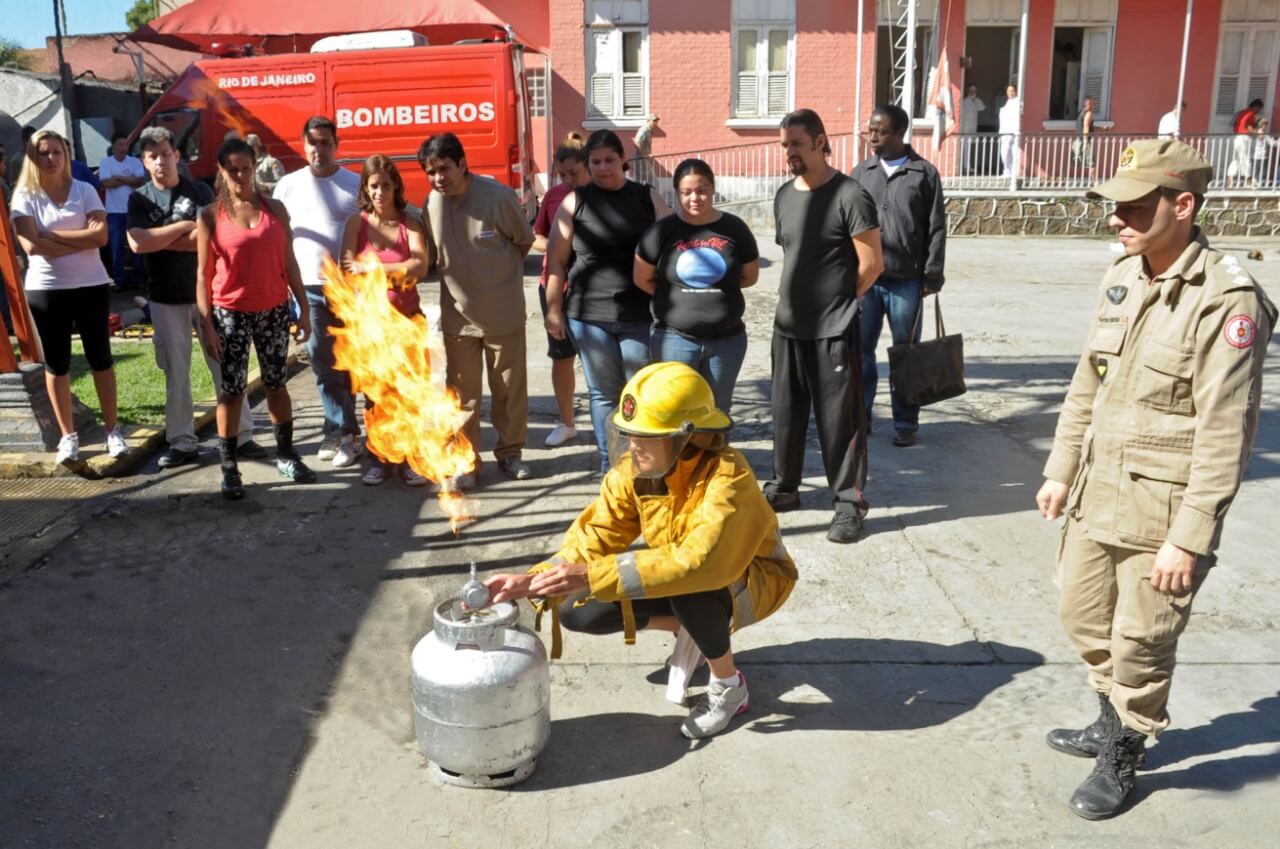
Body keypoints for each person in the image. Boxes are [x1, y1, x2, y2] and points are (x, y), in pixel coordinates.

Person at [1036, 139, 1276, 820]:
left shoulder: (1229, 302)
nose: (1117, 218)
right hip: (1096, 493)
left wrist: (1189, 539)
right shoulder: (1124, 275)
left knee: (1142, 640)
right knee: (1082, 615)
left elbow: (1225, 433)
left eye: (1133, 206)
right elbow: (1088, 384)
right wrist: (1060, 469)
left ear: (1183, 204)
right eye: (1114, 206)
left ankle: (1126, 744)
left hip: (1162, 511)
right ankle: (1108, 715)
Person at [484, 362, 798, 739]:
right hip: (685, 575)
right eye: (630, 433)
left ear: (687, 438)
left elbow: (701, 563)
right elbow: (598, 533)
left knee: (691, 589)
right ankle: (693, 629)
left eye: (646, 436)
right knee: (578, 608)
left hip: (754, 581)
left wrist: (590, 574)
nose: (633, 445)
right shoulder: (639, 471)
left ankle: (729, 687)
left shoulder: (729, 478)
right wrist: (533, 581)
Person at [766, 108, 883, 544]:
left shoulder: (849, 195)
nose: (789, 153)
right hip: (787, 327)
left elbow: (871, 264)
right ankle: (785, 488)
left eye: (796, 144)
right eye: (784, 145)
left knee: (840, 423)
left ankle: (849, 505)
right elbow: (793, 256)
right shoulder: (783, 195)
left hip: (834, 330)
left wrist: (837, 303)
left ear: (819, 141)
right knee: (786, 415)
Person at [127, 126, 261, 469]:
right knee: (177, 372)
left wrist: (161, 238)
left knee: (225, 366)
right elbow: (138, 243)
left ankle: (241, 435)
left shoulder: (199, 190)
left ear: (177, 156)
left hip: (210, 294)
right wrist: (182, 229)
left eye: (165, 154)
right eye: (152, 156)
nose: (160, 161)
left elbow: (212, 237)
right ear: (144, 161)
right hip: (164, 297)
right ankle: (182, 442)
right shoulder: (139, 198)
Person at [544, 129, 672, 474]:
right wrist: (553, 309)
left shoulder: (647, 197)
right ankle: (611, 464)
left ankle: (644, 463)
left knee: (640, 390)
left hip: (639, 314)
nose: (603, 168)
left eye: (610, 160)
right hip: (588, 316)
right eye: (596, 162)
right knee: (603, 393)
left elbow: (673, 245)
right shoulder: (576, 201)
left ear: (623, 162)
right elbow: (556, 260)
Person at [196, 137, 315, 500]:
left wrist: (304, 308)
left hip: (274, 309)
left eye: (245, 168)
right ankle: (229, 467)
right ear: (221, 170)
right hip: (230, 313)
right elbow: (202, 274)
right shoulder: (210, 215)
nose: (240, 175)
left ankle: (286, 454)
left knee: (277, 384)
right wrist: (207, 326)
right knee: (232, 391)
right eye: (232, 169)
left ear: (254, 167)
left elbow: (289, 261)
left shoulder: (275, 209)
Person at [421, 132, 536, 485]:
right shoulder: (431, 205)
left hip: (502, 314)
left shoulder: (497, 197)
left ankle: (511, 454)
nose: (439, 177)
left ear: (463, 164)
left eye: (444, 168)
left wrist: (495, 281)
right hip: (458, 318)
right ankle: (466, 460)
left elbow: (523, 242)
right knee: (463, 397)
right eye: (431, 171)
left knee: (508, 391)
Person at [9, 130, 129, 464]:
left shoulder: (85, 190)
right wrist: (80, 237)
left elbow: (102, 236)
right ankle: (68, 436)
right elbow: (32, 247)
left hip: (91, 285)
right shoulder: (24, 196)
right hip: (47, 289)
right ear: (33, 158)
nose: (50, 158)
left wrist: (50, 235)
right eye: (43, 153)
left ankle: (112, 431)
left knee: (100, 358)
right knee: (57, 363)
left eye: (56, 152)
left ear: (66, 154)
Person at [851, 104, 946, 448]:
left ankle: (906, 422)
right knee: (860, 351)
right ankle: (861, 416)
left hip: (907, 280)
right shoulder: (861, 173)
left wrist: (933, 272)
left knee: (906, 354)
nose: (871, 135)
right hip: (866, 281)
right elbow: (844, 226)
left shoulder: (924, 173)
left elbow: (937, 227)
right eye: (870, 128)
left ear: (899, 133)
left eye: (879, 130)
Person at [634, 158, 759, 414]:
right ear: (677, 193)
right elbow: (642, 277)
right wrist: (675, 298)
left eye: (702, 190)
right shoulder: (662, 231)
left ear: (713, 189)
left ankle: (713, 456)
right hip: (674, 340)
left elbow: (749, 276)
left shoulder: (734, 228)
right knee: (675, 413)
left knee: (716, 413)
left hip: (727, 341)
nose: (695, 198)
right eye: (687, 192)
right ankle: (680, 457)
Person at [273, 116, 364, 468]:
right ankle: (339, 430)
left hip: (349, 290)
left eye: (326, 142)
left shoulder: (354, 184)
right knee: (323, 364)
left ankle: (348, 433)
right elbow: (280, 240)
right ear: (303, 144)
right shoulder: (288, 186)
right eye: (313, 142)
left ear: (336, 145)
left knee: (350, 365)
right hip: (307, 288)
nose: (319, 149)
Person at [339, 154, 432, 487]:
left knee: (409, 394)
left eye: (386, 185)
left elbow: (420, 267)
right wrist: (396, 269)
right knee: (377, 397)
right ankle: (379, 457)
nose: (380, 192)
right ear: (366, 188)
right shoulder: (357, 224)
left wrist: (375, 269)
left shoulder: (411, 224)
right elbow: (347, 270)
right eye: (373, 186)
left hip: (408, 323)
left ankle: (409, 459)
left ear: (396, 187)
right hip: (373, 328)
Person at [531, 133, 590, 448]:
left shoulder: (599, 195)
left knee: (598, 359)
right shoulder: (553, 196)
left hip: (593, 290)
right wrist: (556, 248)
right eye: (562, 175)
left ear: (588, 168)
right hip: (554, 287)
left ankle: (611, 422)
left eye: (574, 174)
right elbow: (535, 237)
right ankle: (567, 423)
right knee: (561, 356)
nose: (568, 181)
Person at [99, 132, 147, 291]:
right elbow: (106, 183)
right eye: (120, 144)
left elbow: (139, 181)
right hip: (114, 211)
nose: (123, 148)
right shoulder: (106, 163)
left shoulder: (134, 162)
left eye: (126, 144)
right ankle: (119, 280)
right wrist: (128, 179)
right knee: (116, 247)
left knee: (137, 245)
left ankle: (138, 278)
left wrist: (119, 178)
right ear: (113, 146)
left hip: (133, 210)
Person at [1231, 98, 1264, 188]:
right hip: (1244, 138)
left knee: (1236, 160)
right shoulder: (1250, 114)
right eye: (1259, 109)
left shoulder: (1242, 112)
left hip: (1237, 137)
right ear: (1256, 107)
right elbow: (1248, 127)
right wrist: (1258, 133)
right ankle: (1249, 182)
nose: (1259, 111)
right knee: (1246, 160)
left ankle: (1230, 182)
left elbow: (1235, 124)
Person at [960, 85, 986, 175]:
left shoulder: (976, 101)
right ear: (968, 91)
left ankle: (968, 166)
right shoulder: (964, 101)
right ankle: (965, 166)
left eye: (974, 91)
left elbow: (982, 107)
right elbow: (962, 115)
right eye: (971, 90)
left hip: (973, 126)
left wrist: (976, 99)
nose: (972, 92)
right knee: (965, 146)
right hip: (965, 126)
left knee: (970, 147)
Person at [999, 84, 1020, 177]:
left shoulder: (1017, 102)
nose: (1010, 93)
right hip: (1005, 130)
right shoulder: (1008, 101)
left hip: (1012, 130)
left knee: (1012, 152)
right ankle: (1007, 171)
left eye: (1012, 91)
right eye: (1008, 91)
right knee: (1005, 152)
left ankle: (1011, 171)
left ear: (1015, 91)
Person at [1074, 96, 1096, 182]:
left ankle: (1061, 178)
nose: (1093, 105)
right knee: (1092, 163)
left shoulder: (1080, 112)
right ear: (1088, 104)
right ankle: (1094, 183)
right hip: (1085, 140)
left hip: (1077, 140)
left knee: (1073, 161)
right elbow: (1086, 127)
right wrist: (1086, 142)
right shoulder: (1089, 113)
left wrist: (1101, 128)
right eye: (1092, 103)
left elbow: (1085, 125)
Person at [1252, 117, 1278, 188]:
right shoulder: (1261, 133)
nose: (1266, 126)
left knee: (1257, 171)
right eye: (1265, 124)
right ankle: (1257, 185)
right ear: (1262, 125)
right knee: (1261, 171)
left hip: (1257, 155)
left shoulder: (1257, 132)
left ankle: (1256, 184)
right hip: (1261, 155)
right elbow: (1272, 143)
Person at [633, 113, 659, 183]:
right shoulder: (644, 130)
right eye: (654, 121)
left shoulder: (648, 130)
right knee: (654, 181)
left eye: (656, 121)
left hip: (642, 159)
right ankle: (652, 193)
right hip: (641, 159)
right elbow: (636, 142)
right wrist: (644, 155)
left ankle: (638, 193)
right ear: (648, 121)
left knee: (640, 181)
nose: (655, 123)